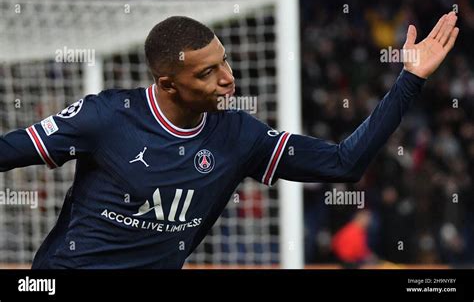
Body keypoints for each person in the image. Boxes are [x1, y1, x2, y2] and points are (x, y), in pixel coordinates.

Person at [0, 13, 459, 268]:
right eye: (207, 72)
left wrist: (410, 80)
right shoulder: (105, 117)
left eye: (225, 62)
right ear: (169, 83)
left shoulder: (240, 135)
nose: (228, 79)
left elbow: (343, 164)